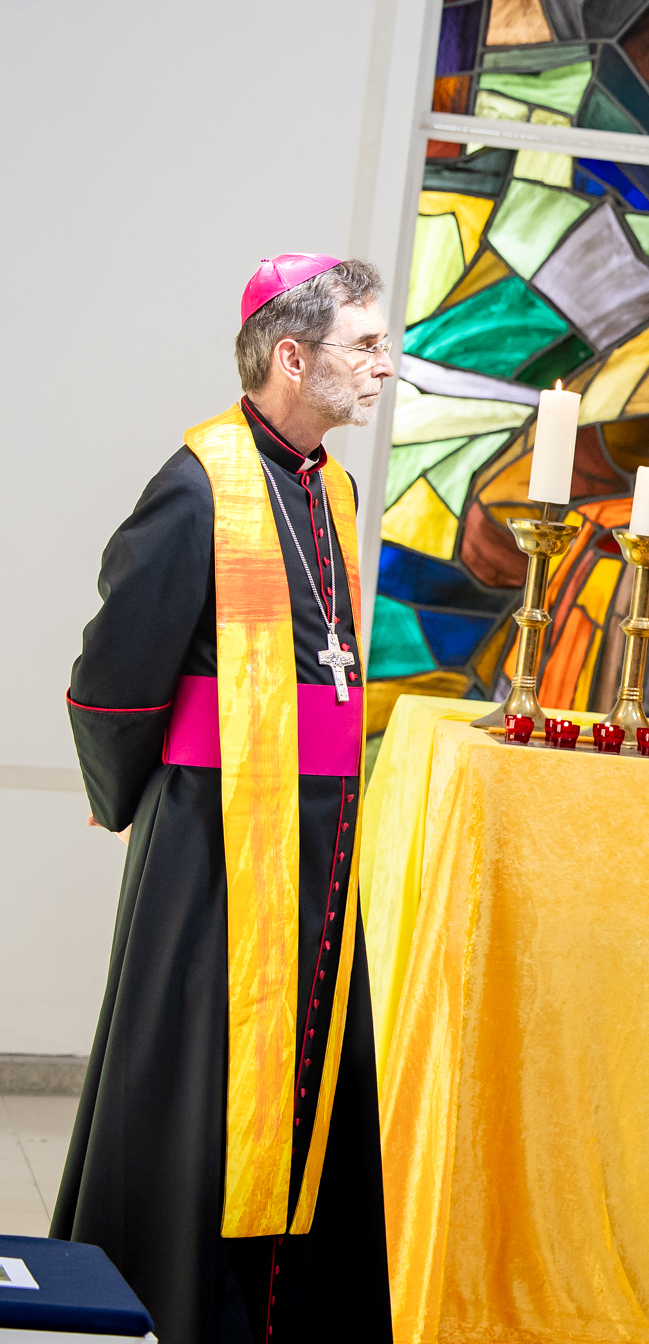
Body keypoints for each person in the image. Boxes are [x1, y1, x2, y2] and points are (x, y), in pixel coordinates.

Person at [55, 255, 396, 1344]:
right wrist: (127, 795)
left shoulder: (331, 486)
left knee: (310, 1092)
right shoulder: (199, 481)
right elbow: (112, 675)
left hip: (322, 845)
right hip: (216, 845)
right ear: (291, 355)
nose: (384, 364)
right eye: (365, 344)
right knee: (197, 1097)